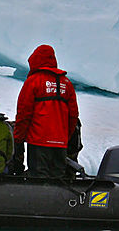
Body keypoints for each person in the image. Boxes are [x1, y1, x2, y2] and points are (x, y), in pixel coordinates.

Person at [13, 44, 79, 178]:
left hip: (38, 143)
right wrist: (64, 137)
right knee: (58, 180)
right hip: (60, 144)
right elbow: (73, 116)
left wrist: (18, 138)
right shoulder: (67, 83)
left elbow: (24, 113)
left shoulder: (33, 82)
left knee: (39, 180)